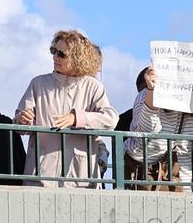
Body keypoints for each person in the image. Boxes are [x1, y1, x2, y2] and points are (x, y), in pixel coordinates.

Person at [15, 29, 118, 187]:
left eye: (62, 54)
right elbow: (19, 122)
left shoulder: (94, 87)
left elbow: (111, 119)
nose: (55, 56)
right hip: (40, 178)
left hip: (81, 181)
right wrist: (22, 120)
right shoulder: (38, 83)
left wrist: (77, 118)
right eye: (53, 51)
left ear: (77, 58)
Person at [125, 66, 193, 192]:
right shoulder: (145, 95)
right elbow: (148, 129)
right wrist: (152, 91)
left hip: (185, 184)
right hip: (145, 181)